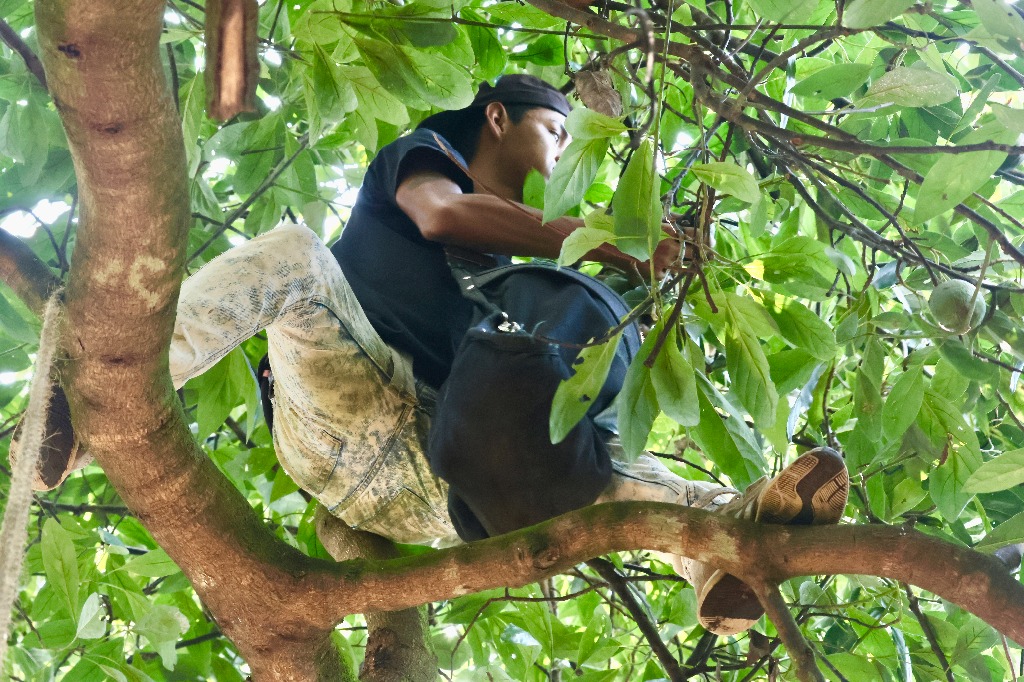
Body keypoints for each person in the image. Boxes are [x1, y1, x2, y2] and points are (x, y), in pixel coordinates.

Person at [12, 75, 849, 636]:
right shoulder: (426, 157)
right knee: (296, 254)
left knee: (593, 445)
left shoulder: (510, 281)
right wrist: (604, 242)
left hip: (436, 484)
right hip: (345, 407)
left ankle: (723, 543)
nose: (558, 154)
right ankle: (90, 400)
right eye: (553, 131)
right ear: (496, 119)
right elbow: (442, 217)